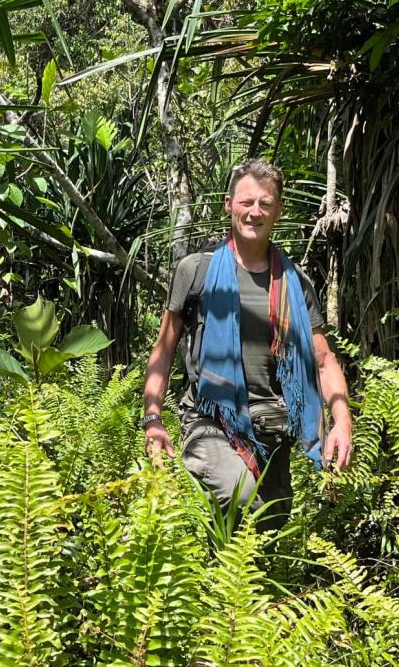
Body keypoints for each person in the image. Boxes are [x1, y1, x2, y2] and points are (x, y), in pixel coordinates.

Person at [142, 159, 353, 526]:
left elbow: (323, 360)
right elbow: (163, 350)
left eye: (265, 204)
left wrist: (342, 421)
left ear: (278, 211)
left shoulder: (295, 283)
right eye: (246, 202)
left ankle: (210, 581)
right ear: (229, 205)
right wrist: (153, 419)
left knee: (267, 533)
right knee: (241, 496)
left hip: (272, 427)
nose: (255, 212)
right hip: (210, 418)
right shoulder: (196, 271)